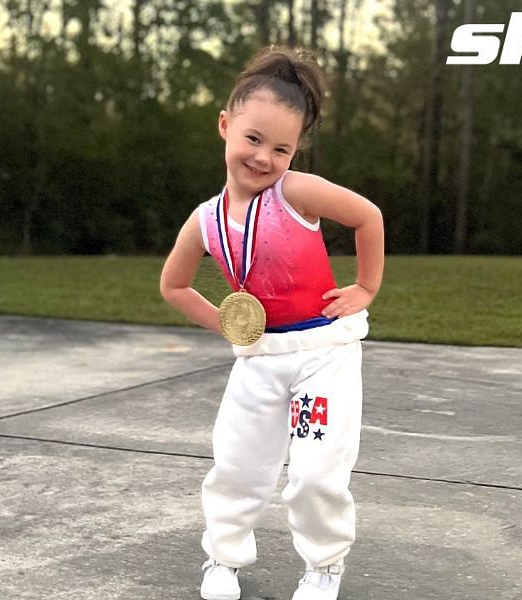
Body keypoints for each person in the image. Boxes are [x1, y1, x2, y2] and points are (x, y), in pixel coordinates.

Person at [158, 46, 384, 600]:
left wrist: (366, 287)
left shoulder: (296, 192)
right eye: (253, 139)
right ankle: (222, 560)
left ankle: (323, 567)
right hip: (259, 360)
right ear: (225, 125)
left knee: (314, 472)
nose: (263, 158)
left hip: (322, 355)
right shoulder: (205, 220)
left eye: (281, 148)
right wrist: (226, 325)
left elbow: (367, 216)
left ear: (295, 151)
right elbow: (173, 285)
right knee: (236, 465)